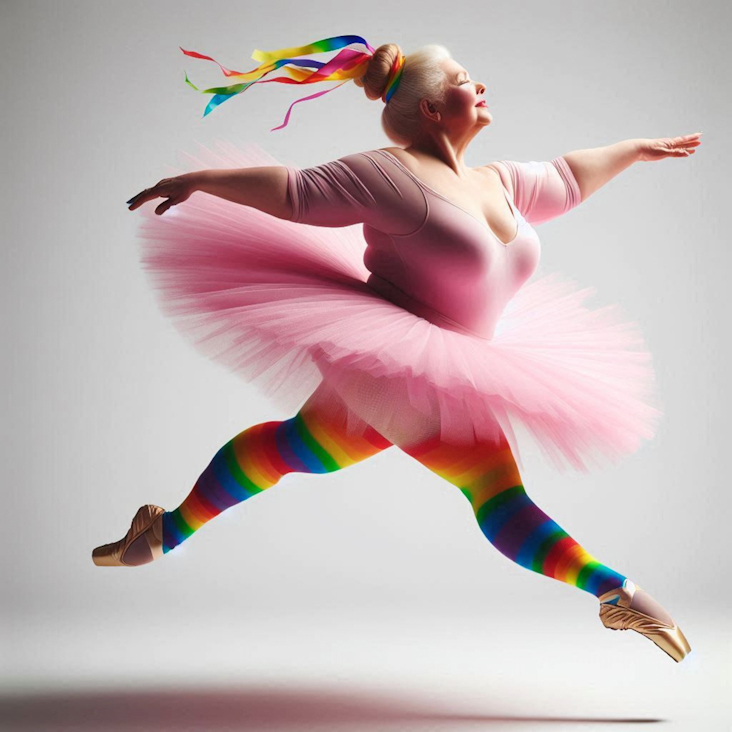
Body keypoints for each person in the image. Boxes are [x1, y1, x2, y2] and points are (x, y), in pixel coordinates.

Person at [93, 34, 701, 663]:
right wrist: (202, 180)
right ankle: (615, 590)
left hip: (451, 359)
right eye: (465, 78)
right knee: (494, 490)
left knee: (299, 447)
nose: (480, 85)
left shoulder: (501, 182)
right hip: (397, 363)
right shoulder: (388, 173)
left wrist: (634, 149)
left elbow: (569, 178)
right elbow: (295, 192)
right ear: (432, 109)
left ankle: (162, 533)